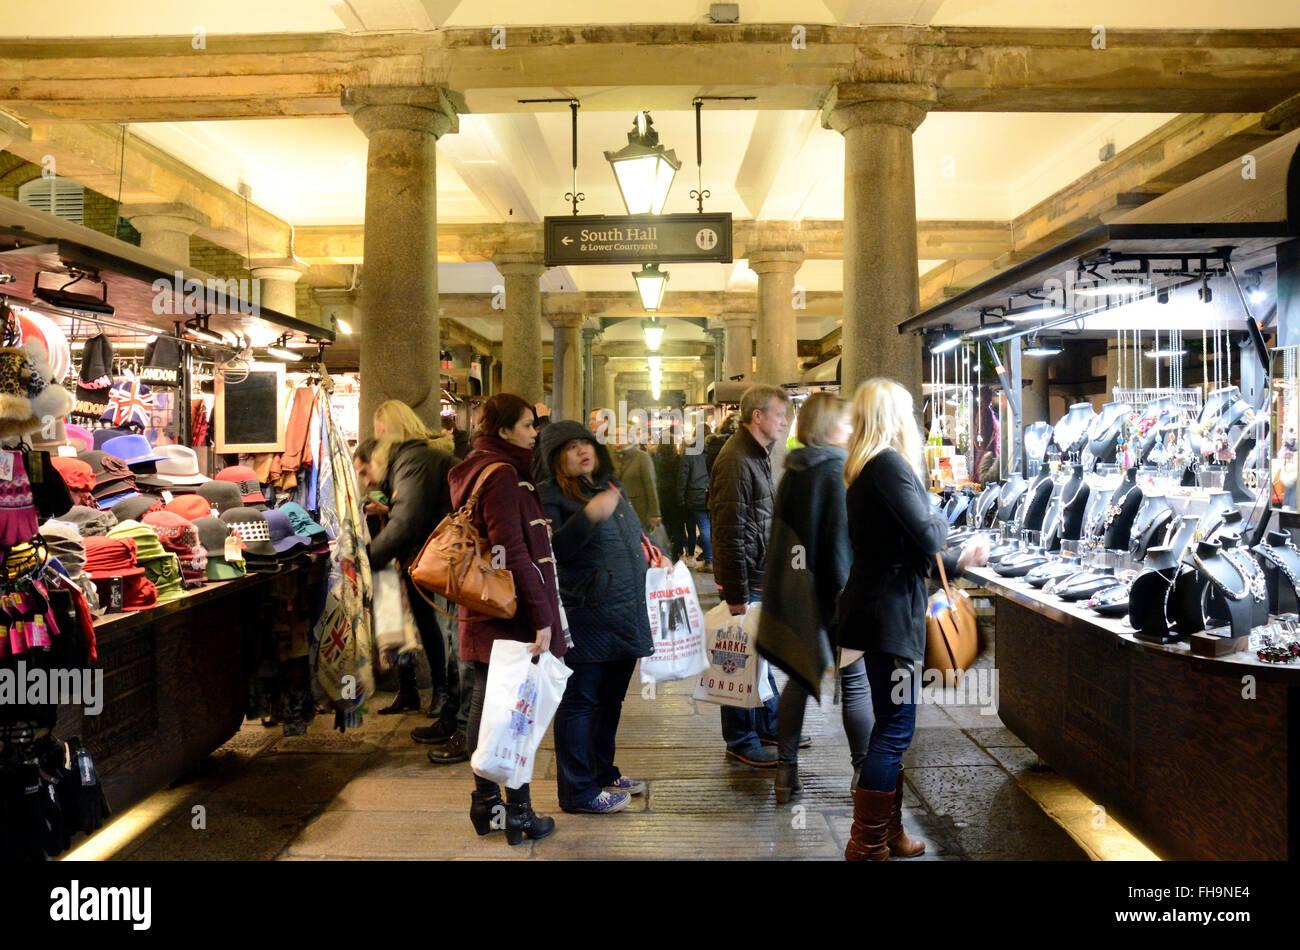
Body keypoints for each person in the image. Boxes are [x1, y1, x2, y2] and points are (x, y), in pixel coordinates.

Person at [839, 378, 989, 861]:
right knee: (895, 728)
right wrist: (945, 505)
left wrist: (958, 558)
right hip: (889, 615)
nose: (916, 421)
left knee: (890, 721)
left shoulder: (864, 468)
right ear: (894, 418)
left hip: (874, 609)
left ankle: (886, 833)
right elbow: (926, 534)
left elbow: (901, 543)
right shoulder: (889, 465)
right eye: (910, 412)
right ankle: (866, 843)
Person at [449, 393, 566, 845]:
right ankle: (518, 811)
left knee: (488, 700)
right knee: (516, 710)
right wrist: (542, 616)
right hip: (511, 609)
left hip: (488, 606)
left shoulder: (480, 469)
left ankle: (487, 804)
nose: (535, 432)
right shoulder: (500, 475)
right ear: (503, 431)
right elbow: (509, 550)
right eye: (527, 425)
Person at [756, 393, 869, 803]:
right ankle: (863, 772)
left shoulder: (795, 469)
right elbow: (839, 543)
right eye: (845, 422)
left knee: (798, 682)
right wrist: (847, 596)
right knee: (855, 682)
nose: (852, 429)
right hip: (835, 594)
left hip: (797, 592)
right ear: (828, 426)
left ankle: (785, 773)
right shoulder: (837, 469)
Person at [536, 420, 652, 815]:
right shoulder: (549, 496)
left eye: (586, 444)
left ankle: (603, 771)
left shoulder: (607, 485)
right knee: (580, 701)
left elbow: (632, 535)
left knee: (611, 700)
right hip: (586, 613)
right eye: (571, 447)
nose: (583, 451)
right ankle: (577, 790)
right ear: (555, 459)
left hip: (624, 612)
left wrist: (655, 551)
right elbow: (557, 551)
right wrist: (589, 515)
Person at [707, 384, 790, 768]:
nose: (785, 421)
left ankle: (765, 725)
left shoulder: (754, 454)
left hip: (758, 572)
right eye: (779, 414)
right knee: (738, 657)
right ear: (757, 416)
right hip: (746, 579)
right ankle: (740, 737)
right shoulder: (737, 459)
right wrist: (736, 593)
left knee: (758, 655)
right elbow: (729, 531)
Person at [365, 401, 457, 731]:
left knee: (428, 621)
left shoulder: (415, 458)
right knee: (406, 619)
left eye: (380, 430)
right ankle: (411, 691)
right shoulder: (412, 458)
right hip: (412, 550)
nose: (377, 437)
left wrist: (367, 556)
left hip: (426, 553)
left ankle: (443, 693)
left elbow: (411, 519)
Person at [610, 426, 661, 532]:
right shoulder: (612, 457)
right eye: (615, 435)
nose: (616, 438)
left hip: (638, 510)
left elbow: (650, 486)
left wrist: (655, 513)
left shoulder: (642, 457)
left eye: (620, 435)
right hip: (616, 509)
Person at [678, 422, 712, 570]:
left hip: (692, 496)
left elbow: (683, 476)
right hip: (709, 494)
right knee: (706, 528)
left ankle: (693, 557)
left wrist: (680, 495)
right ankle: (710, 559)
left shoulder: (689, 452)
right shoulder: (712, 452)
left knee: (693, 528)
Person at [651, 429, 686, 561]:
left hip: (660, 496)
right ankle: (677, 550)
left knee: (664, 523)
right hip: (674, 496)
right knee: (677, 524)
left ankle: (663, 547)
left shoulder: (655, 459)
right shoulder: (678, 459)